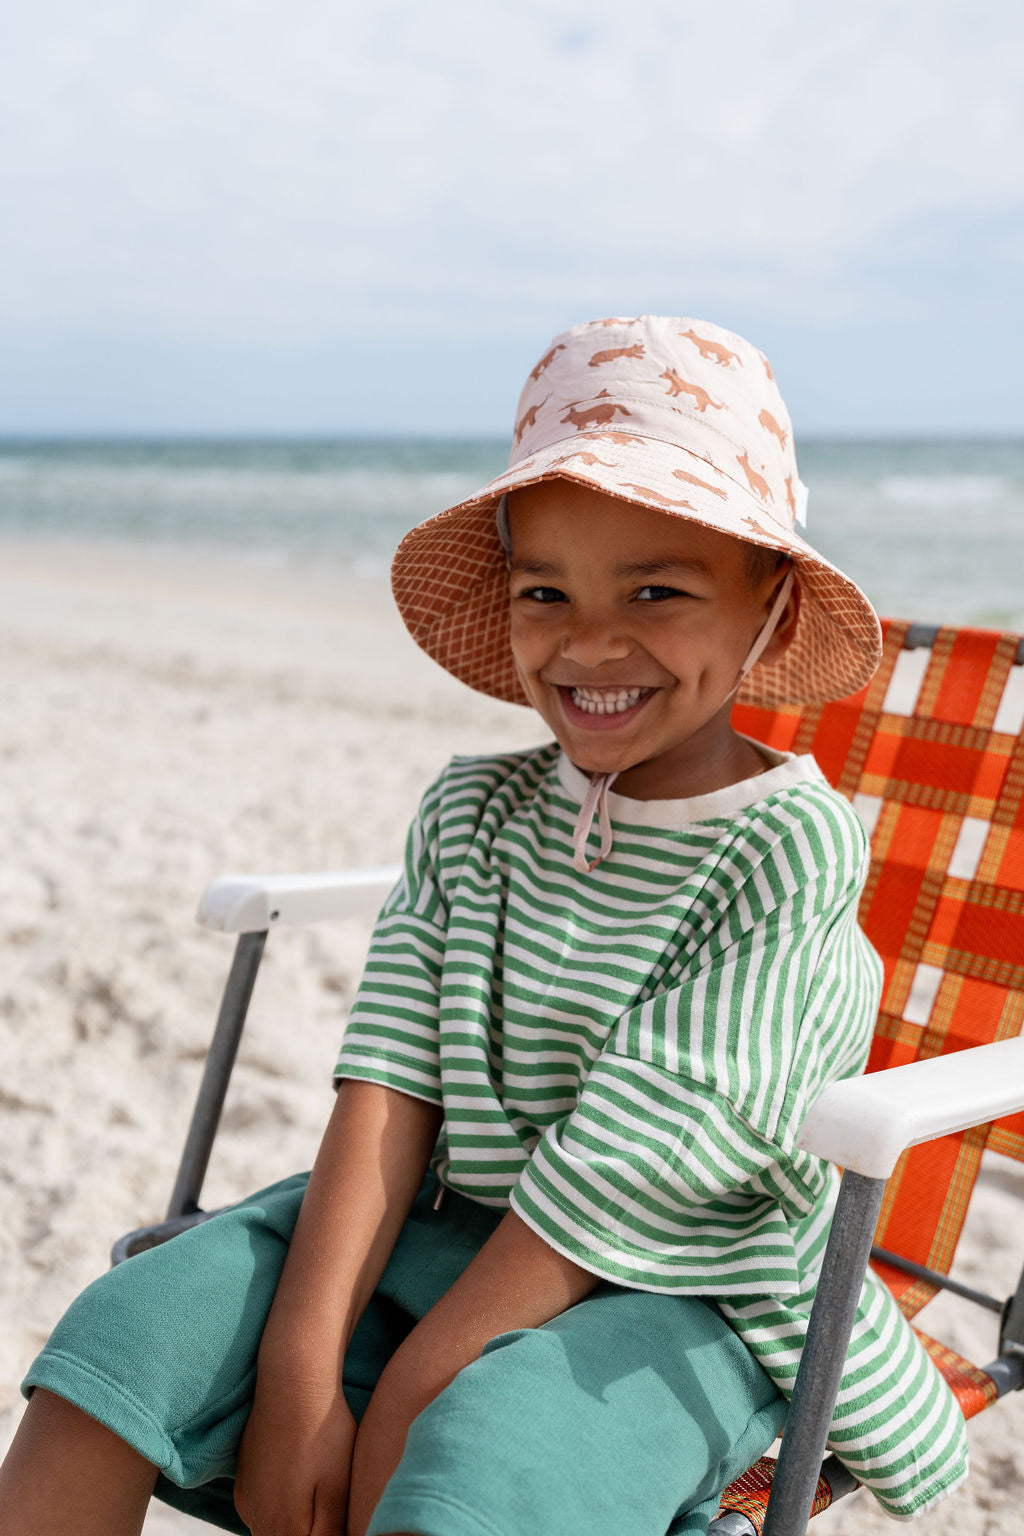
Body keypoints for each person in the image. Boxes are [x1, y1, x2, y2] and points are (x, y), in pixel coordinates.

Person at [1, 316, 969, 1536]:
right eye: (545, 593)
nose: (590, 643)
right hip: (451, 1228)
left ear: (768, 605)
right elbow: (388, 1087)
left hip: (685, 1288)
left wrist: (413, 1379)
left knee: (481, 1457)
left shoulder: (787, 848)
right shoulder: (472, 810)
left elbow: (640, 1161)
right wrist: (305, 1370)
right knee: (127, 1330)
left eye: (656, 593)